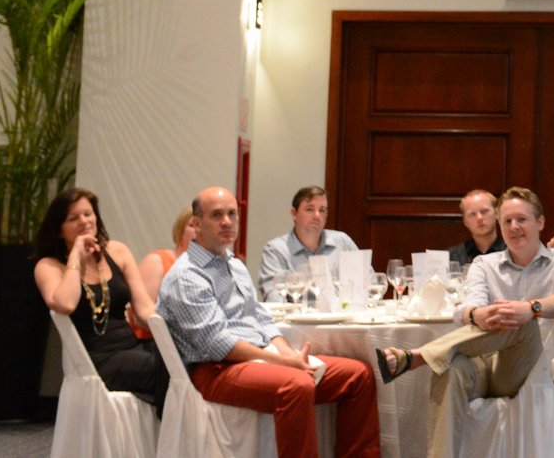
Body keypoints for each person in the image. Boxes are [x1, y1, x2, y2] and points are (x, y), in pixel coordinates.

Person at [158, 187, 380, 458]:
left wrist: (285, 352)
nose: (227, 222)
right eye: (217, 215)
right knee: (296, 385)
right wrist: (280, 361)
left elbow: (260, 316)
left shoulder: (233, 263)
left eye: (232, 214)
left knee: (359, 375)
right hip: (216, 369)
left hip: (258, 359)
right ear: (196, 223)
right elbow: (217, 343)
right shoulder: (187, 275)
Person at [374, 186, 554, 458]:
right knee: (450, 369)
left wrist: (531, 308)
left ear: (540, 222)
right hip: (483, 362)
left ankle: (420, 356)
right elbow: (466, 305)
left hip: (527, 365)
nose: (513, 226)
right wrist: (475, 314)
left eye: (521, 219)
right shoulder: (485, 263)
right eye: (507, 221)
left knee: (522, 318)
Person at [33, 187, 169, 415]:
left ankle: (170, 431)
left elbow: (144, 308)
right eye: (73, 218)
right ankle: (172, 435)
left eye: (88, 214)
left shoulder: (118, 251)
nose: (84, 221)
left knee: (186, 357)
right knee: (167, 370)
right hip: (97, 359)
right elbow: (65, 304)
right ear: (59, 229)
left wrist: (169, 330)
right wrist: (75, 255)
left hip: (131, 345)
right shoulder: (48, 266)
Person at [258, 185, 359, 301]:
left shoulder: (343, 243)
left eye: (322, 210)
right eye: (310, 209)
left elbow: (367, 283)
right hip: (296, 318)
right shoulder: (276, 250)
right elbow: (274, 298)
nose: (317, 215)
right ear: (294, 214)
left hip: (343, 317)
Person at [130, 205, 199, 339]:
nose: (197, 231)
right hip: (150, 344)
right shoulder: (157, 261)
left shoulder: (209, 269)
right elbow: (139, 316)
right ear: (180, 230)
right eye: (192, 225)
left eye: (202, 227)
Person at [445, 188, 506, 267]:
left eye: (484, 211)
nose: (479, 218)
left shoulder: (512, 253)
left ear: (497, 213)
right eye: (472, 214)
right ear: (465, 221)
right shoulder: (451, 257)